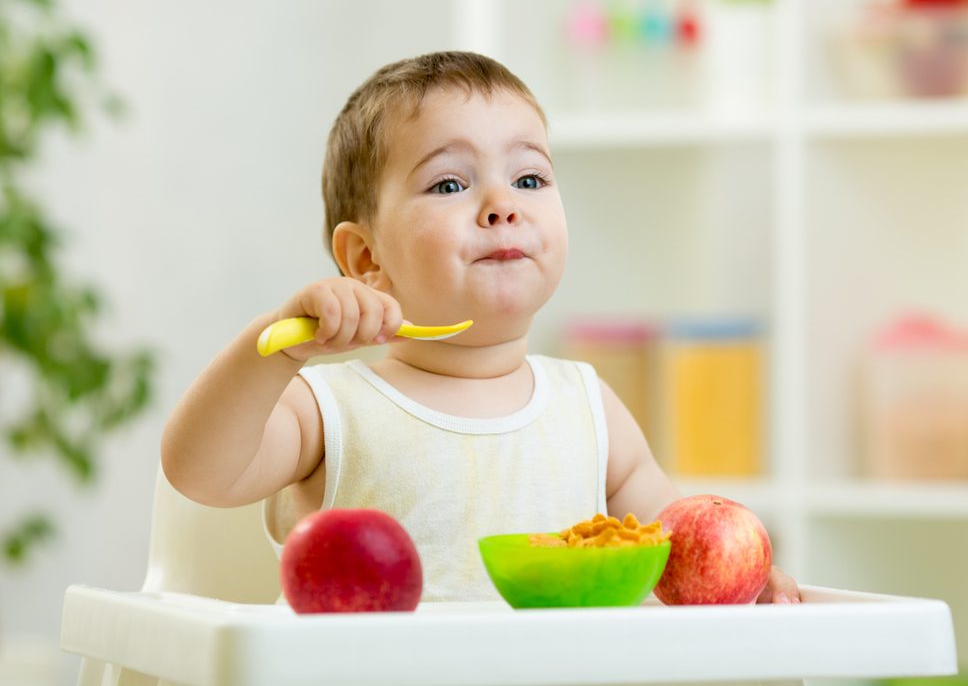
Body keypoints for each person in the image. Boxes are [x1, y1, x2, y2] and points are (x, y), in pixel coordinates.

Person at [161, 51, 800, 604]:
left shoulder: (590, 409)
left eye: (529, 178)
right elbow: (199, 471)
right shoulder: (330, 410)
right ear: (365, 260)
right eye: (449, 183)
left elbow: (677, 557)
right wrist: (276, 346)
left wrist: (743, 580)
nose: (503, 205)